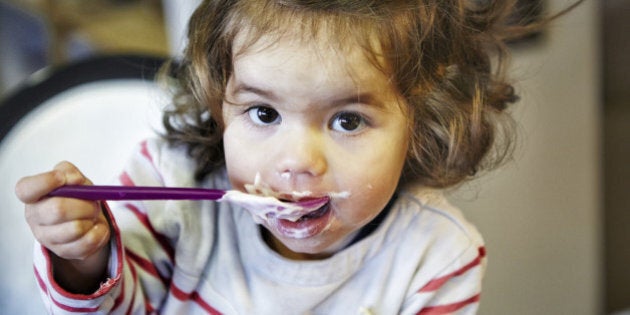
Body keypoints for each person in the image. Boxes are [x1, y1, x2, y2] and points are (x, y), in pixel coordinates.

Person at [15, 0, 579, 314]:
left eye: (348, 120)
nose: (298, 160)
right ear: (221, 98)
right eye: (263, 114)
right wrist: (84, 258)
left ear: (421, 121)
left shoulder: (435, 258)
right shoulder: (169, 179)